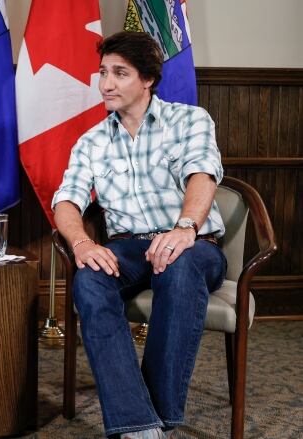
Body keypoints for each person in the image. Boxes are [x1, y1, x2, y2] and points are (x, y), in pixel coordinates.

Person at [52, 32, 227, 439]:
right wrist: (82, 243)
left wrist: (184, 229)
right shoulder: (91, 142)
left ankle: (154, 420)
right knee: (90, 280)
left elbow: (202, 175)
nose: (106, 84)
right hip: (130, 248)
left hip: (195, 246)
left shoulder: (190, 120)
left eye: (119, 73)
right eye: (102, 73)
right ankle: (139, 425)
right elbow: (67, 202)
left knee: (178, 267)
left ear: (147, 79)